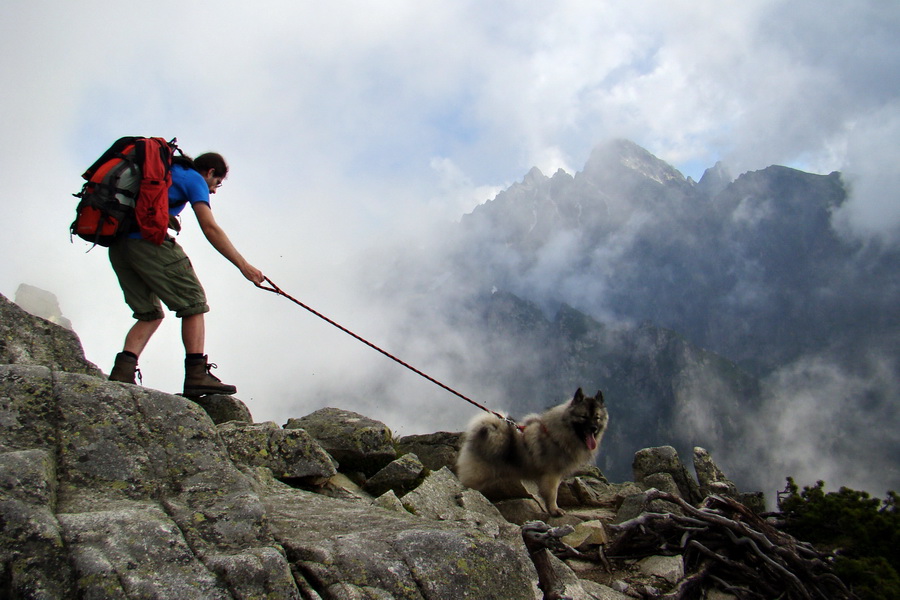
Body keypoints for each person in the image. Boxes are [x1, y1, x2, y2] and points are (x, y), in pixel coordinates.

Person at [107, 151, 264, 396]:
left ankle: (123, 372)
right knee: (194, 303)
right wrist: (244, 266)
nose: (213, 190)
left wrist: (167, 218)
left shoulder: (169, 172)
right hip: (147, 245)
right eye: (217, 183)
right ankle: (196, 375)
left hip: (119, 246)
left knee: (149, 314)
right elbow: (210, 227)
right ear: (210, 172)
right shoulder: (193, 179)